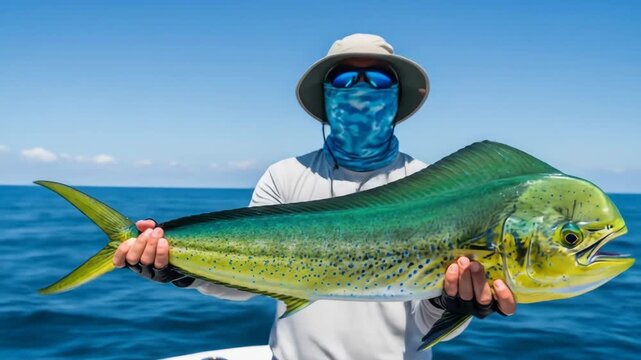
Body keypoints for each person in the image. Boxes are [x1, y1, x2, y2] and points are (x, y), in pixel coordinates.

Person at [113, 34, 517, 360]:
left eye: (378, 80)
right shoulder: (286, 176)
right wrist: (181, 270)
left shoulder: (434, 186)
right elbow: (247, 282)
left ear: (396, 100)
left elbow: (427, 316)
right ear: (325, 99)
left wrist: (453, 305)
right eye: (344, 80)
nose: (361, 91)